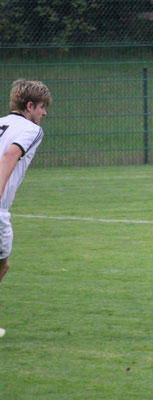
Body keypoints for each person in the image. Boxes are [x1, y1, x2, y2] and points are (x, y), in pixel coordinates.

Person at [0, 79, 51, 336]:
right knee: (2, 265)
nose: (44, 113)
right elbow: (10, 155)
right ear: (30, 106)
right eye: (42, 107)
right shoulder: (32, 130)